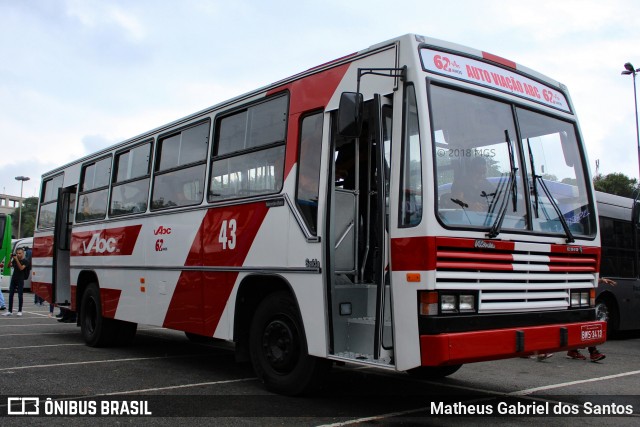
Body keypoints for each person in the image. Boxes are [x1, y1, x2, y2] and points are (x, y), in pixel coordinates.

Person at [566, 277, 616, 362]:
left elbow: (587, 277)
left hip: (584, 297)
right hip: (578, 296)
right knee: (582, 323)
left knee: (588, 324)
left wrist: (601, 280)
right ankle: (591, 352)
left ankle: (579, 351)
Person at [2, 248, 31, 317]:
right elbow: (8, 266)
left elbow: (21, 268)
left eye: (19, 253)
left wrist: (16, 259)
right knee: (10, 294)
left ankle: (20, 310)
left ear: (23, 253)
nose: (18, 255)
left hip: (20, 279)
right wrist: (11, 258)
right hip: (14, 278)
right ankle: (10, 311)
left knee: (20, 295)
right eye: (17, 253)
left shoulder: (25, 261)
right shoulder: (15, 260)